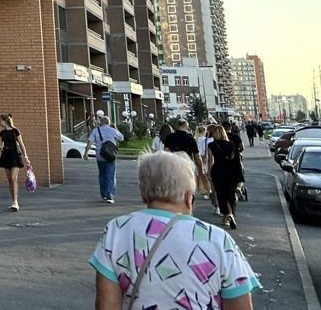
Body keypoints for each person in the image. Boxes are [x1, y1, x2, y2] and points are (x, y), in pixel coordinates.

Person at [90, 152, 260, 309]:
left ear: (143, 195)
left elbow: (106, 305)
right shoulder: (218, 239)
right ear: (188, 197)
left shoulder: (117, 230)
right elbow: (241, 305)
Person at [0, 113, 29, 211]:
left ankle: (16, 202)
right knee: (10, 179)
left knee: (13, 178)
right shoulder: (2, 133)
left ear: (4, 121)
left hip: (15, 156)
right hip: (6, 155)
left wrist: (26, 156)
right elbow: (0, 147)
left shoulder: (15, 130)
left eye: (0, 120)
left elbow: (21, 144)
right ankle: (13, 201)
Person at [207, 124, 244, 229]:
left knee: (221, 194)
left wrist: (209, 173)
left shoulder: (211, 145)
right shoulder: (231, 144)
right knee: (231, 194)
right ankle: (232, 214)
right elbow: (234, 159)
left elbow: (210, 160)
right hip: (231, 172)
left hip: (218, 171)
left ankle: (226, 215)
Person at [84, 117, 125, 204]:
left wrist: (86, 152)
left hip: (100, 156)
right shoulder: (112, 130)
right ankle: (109, 195)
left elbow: (90, 142)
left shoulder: (96, 131)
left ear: (101, 122)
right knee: (110, 176)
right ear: (109, 123)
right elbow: (121, 138)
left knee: (102, 175)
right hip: (111, 156)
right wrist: (116, 128)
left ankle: (104, 195)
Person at [163, 119, 203, 191]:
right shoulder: (191, 139)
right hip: (187, 166)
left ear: (177, 126)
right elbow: (197, 156)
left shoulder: (169, 137)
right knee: (188, 187)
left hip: (173, 166)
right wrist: (200, 168)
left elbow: (165, 152)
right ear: (187, 127)